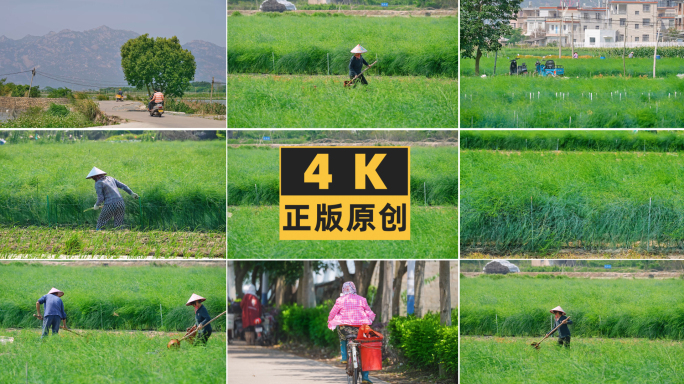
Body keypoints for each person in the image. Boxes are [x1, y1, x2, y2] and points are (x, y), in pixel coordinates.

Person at [328, 282, 376, 384]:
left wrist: (330, 320)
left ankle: (344, 357)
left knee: (342, 336)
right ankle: (365, 377)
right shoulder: (362, 299)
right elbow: (369, 312)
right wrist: (371, 318)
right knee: (364, 350)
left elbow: (333, 312)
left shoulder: (340, 300)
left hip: (345, 329)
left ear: (343, 289)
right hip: (361, 328)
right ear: (354, 289)